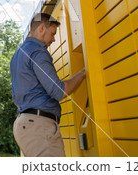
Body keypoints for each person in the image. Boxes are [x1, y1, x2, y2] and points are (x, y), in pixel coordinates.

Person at [10, 12, 86, 157]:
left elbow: (17, 101)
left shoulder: (17, 55)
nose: (53, 39)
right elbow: (59, 91)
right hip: (39, 128)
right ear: (41, 28)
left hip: (24, 125)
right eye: (52, 33)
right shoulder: (38, 51)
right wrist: (83, 73)